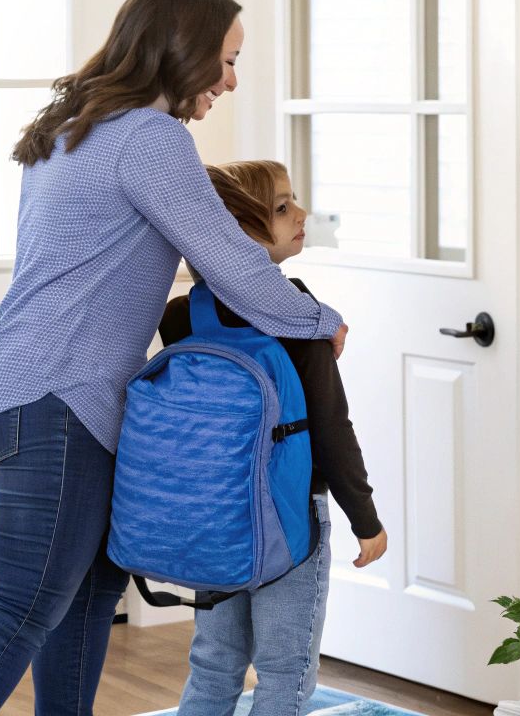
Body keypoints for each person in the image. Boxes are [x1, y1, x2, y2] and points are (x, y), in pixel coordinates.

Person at [0, 0, 348, 716]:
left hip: (37, 395)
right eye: (226, 59)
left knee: (88, 601)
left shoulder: (74, 125)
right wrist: (321, 320)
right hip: (57, 398)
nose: (231, 80)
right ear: (182, 50)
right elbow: (232, 260)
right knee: (22, 610)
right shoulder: (150, 139)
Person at [158, 160, 388, 716]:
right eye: (282, 207)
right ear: (233, 232)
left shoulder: (181, 316)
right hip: (289, 516)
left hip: (215, 513)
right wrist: (366, 519)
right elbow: (332, 427)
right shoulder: (296, 311)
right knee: (286, 673)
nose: (301, 215)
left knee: (214, 665)